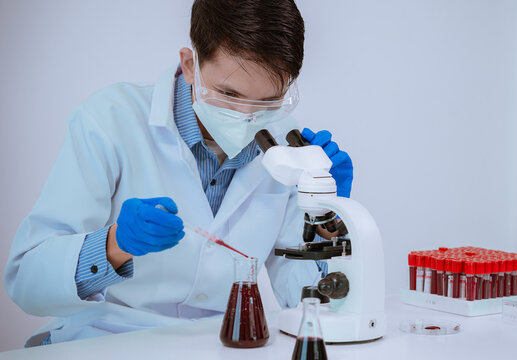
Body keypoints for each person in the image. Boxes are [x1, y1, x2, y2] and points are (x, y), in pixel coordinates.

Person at [4, 0, 353, 347]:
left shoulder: (288, 149)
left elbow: (308, 301)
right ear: (190, 65)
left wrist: (328, 219)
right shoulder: (109, 121)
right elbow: (26, 283)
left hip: (219, 344)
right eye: (228, 94)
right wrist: (114, 245)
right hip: (106, 340)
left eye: (266, 103)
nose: (247, 117)